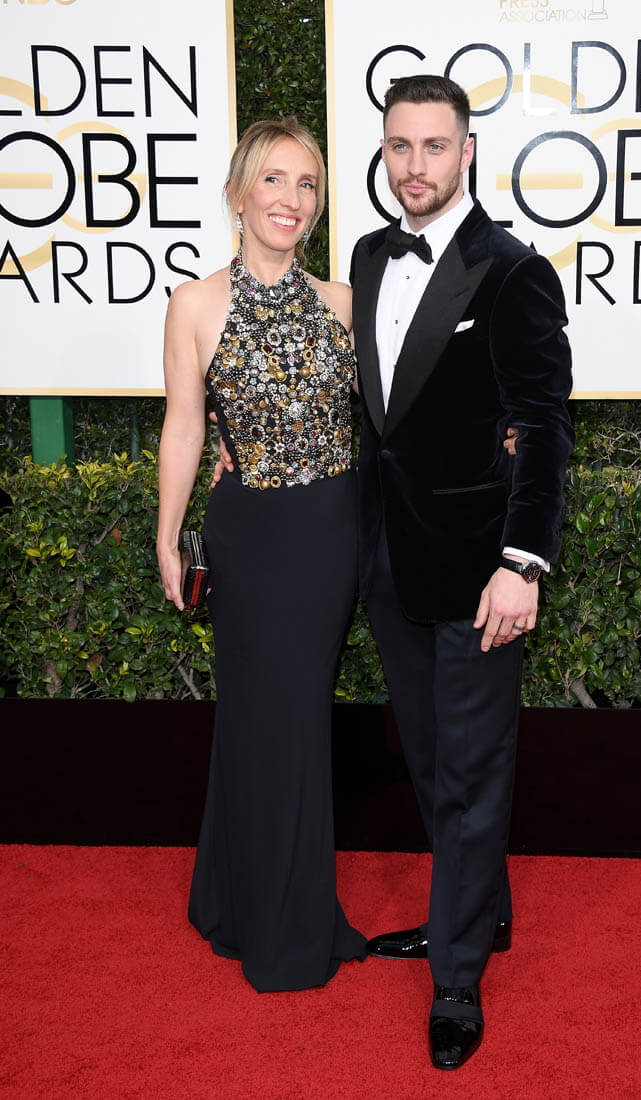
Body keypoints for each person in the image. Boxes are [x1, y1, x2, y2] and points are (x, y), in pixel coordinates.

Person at [348, 75, 574, 1069]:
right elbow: (378, 416)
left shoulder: (513, 272)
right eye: (399, 146)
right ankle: (479, 908)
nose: (415, 165)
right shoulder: (366, 255)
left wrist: (522, 561)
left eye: (433, 146)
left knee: (475, 770)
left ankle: (456, 977)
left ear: (467, 151)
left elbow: (545, 426)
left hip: (483, 569)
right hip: (391, 562)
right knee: (435, 761)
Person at [156, 117, 366, 992]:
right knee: (256, 716)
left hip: (329, 532)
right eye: (275, 179)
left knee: (293, 717)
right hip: (246, 535)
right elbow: (185, 426)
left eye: (306, 183)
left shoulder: (342, 301)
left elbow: (391, 418)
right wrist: (168, 536)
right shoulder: (195, 304)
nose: (291, 198)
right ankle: (260, 915)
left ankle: (257, 903)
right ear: (239, 192)